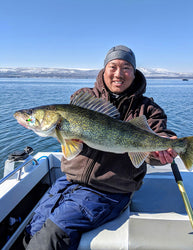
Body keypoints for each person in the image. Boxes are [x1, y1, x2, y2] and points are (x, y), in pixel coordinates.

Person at [24, 45, 177, 249]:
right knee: (33, 229)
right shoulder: (83, 97)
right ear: (104, 69)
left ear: (134, 72)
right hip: (69, 183)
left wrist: (166, 147)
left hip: (110, 192)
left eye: (126, 67)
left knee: (51, 237)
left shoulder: (148, 109)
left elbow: (160, 137)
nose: (118, 74)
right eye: (112, 66)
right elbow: (71, 147)